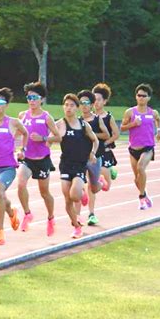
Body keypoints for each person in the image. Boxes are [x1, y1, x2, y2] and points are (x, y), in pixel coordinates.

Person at [0, 88, 28, 246]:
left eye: (1, 103)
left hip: (8, 167)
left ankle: (0, 231)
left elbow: (26, 133)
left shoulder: (13, 122)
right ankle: (11, 212)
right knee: (0, 197)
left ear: (6, 105)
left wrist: (23, 150)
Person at [52, 94, 99, 239]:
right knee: (67, 200)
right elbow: (52, 138)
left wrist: (92, 152)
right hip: (66, 165)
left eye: (72, 105)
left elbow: (95, 140)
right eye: (66, 105)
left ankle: (82, 193)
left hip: (80, 165)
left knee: (74, 195)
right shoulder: (60, 124)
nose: (68, 108)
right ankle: (76, 227)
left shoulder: (83, 124)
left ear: (77, 108)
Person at [18, 82, 61, 236]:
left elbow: (58, 137)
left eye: (35, 97)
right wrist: (20, 149)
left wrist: (43, 138)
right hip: (27, 159)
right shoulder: (22, 116)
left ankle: (50, 218)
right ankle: (27, 213)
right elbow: (18, 135)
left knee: (44, 193)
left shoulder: (46, 117)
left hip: (42, 159)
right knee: (21, 184)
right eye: (29, 97)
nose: (32, 100)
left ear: (41, 99)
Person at [120, 83, 160, 209]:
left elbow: (158, 119)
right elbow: (122, 128)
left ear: (149, 98)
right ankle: (144, 195)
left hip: (148, 147)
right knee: (136, 179)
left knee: (141, 168)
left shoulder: (152, 112)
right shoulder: (129, 112)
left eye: (144, 96)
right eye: (139, 95)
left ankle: (141, 198)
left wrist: (159, 130)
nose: (141, 98)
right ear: (136, 97)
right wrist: (133, 124)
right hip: (133, 148)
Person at [77, 89, 110, 225]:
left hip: (95, 157)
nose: (84, 105)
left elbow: (106, 135)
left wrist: (91, 134)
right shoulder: (76, 120)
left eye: (87, 103)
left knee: (93, 187)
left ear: (91, 105)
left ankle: (99, 183)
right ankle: (79, 216)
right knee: (77, 185)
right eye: (81, 103)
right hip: (79, 158)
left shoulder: (97, 119)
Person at [90, 83, 120, 221]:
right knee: (91, 182)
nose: (96, 102)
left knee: (106, 187)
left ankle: (111, 171)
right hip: (91, 154)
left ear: (105, 101)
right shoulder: (88, 117)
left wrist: (105, 143)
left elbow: (116, 134)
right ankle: (91, 213)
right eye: (94, 99)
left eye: (99, 99)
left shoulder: (108, 117)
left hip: (105, 151)